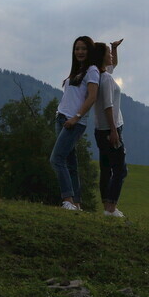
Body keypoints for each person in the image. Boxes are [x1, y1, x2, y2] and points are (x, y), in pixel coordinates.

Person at [50, 36, 99, 210]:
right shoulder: (78, 70)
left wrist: (76, 117)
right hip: (62, 117)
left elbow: (92, 97)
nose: (79, 52)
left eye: (84, 49)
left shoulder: (92, 70)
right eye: (77, 48)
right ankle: (77, 203)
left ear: (90, 51)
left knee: (56, 158)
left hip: (74, 121)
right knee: (70, 162)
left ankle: (67, 200)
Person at [92, 41, 128, 217]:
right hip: (109, 130)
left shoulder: (100, 75)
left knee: (106, 169)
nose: (111, 56)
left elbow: (113, 65)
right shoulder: (105, 79)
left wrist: (114, 48)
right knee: (120, 170)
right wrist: (114, 131)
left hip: (100, 129)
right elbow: (108, 105)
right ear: (101, 57)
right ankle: (111, 208)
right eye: (108, 52)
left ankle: (107, 206)